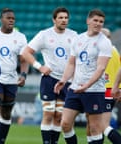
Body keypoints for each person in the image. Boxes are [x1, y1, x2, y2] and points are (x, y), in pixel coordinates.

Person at [54, 9, 112, 144]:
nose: (98, 24)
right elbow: (71, 63)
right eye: (95, 20)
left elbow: (101, 68)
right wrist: (63, 80)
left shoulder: (104, 42)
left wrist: (86, 86)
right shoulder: (78, 39)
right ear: (88, 21)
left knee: (94, 128)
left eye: (101, 22)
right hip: (75, 88)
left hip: (94, 91)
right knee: (65, 124)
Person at [21, 7, 78, 144]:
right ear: (54, 19)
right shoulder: (44, 35)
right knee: (48, 114)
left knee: (59, 116)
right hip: (49, 80)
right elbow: (26, 52)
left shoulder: (74, 36)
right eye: (61, 18)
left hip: (66, 81)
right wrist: (39, 66)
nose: (64, 20)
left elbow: (79, 59)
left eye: (66, 18)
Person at [0, 8, 29, 144]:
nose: (11, 20)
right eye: (8, 18)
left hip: (11, 80)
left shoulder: (20, 37)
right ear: (1, 20)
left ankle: (1, 140)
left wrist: (24, 75)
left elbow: (24, 59)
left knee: (6, 113)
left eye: (13, 19)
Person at [85, 28, 121, 143]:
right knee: (93, 124)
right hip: (111, 90)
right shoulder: (115, 51)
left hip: (103, 90)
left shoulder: (103, 52)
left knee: (101, 125)